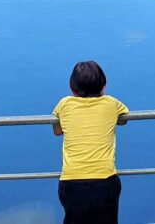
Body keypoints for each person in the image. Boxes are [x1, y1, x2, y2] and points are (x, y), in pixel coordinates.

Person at [51, 60, 128, 224]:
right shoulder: (111, 103)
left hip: (71, 183)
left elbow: (57, 131)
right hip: (106, 181)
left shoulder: (64, 104)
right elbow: (123, 121)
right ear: (104, 87)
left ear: (72, 89)